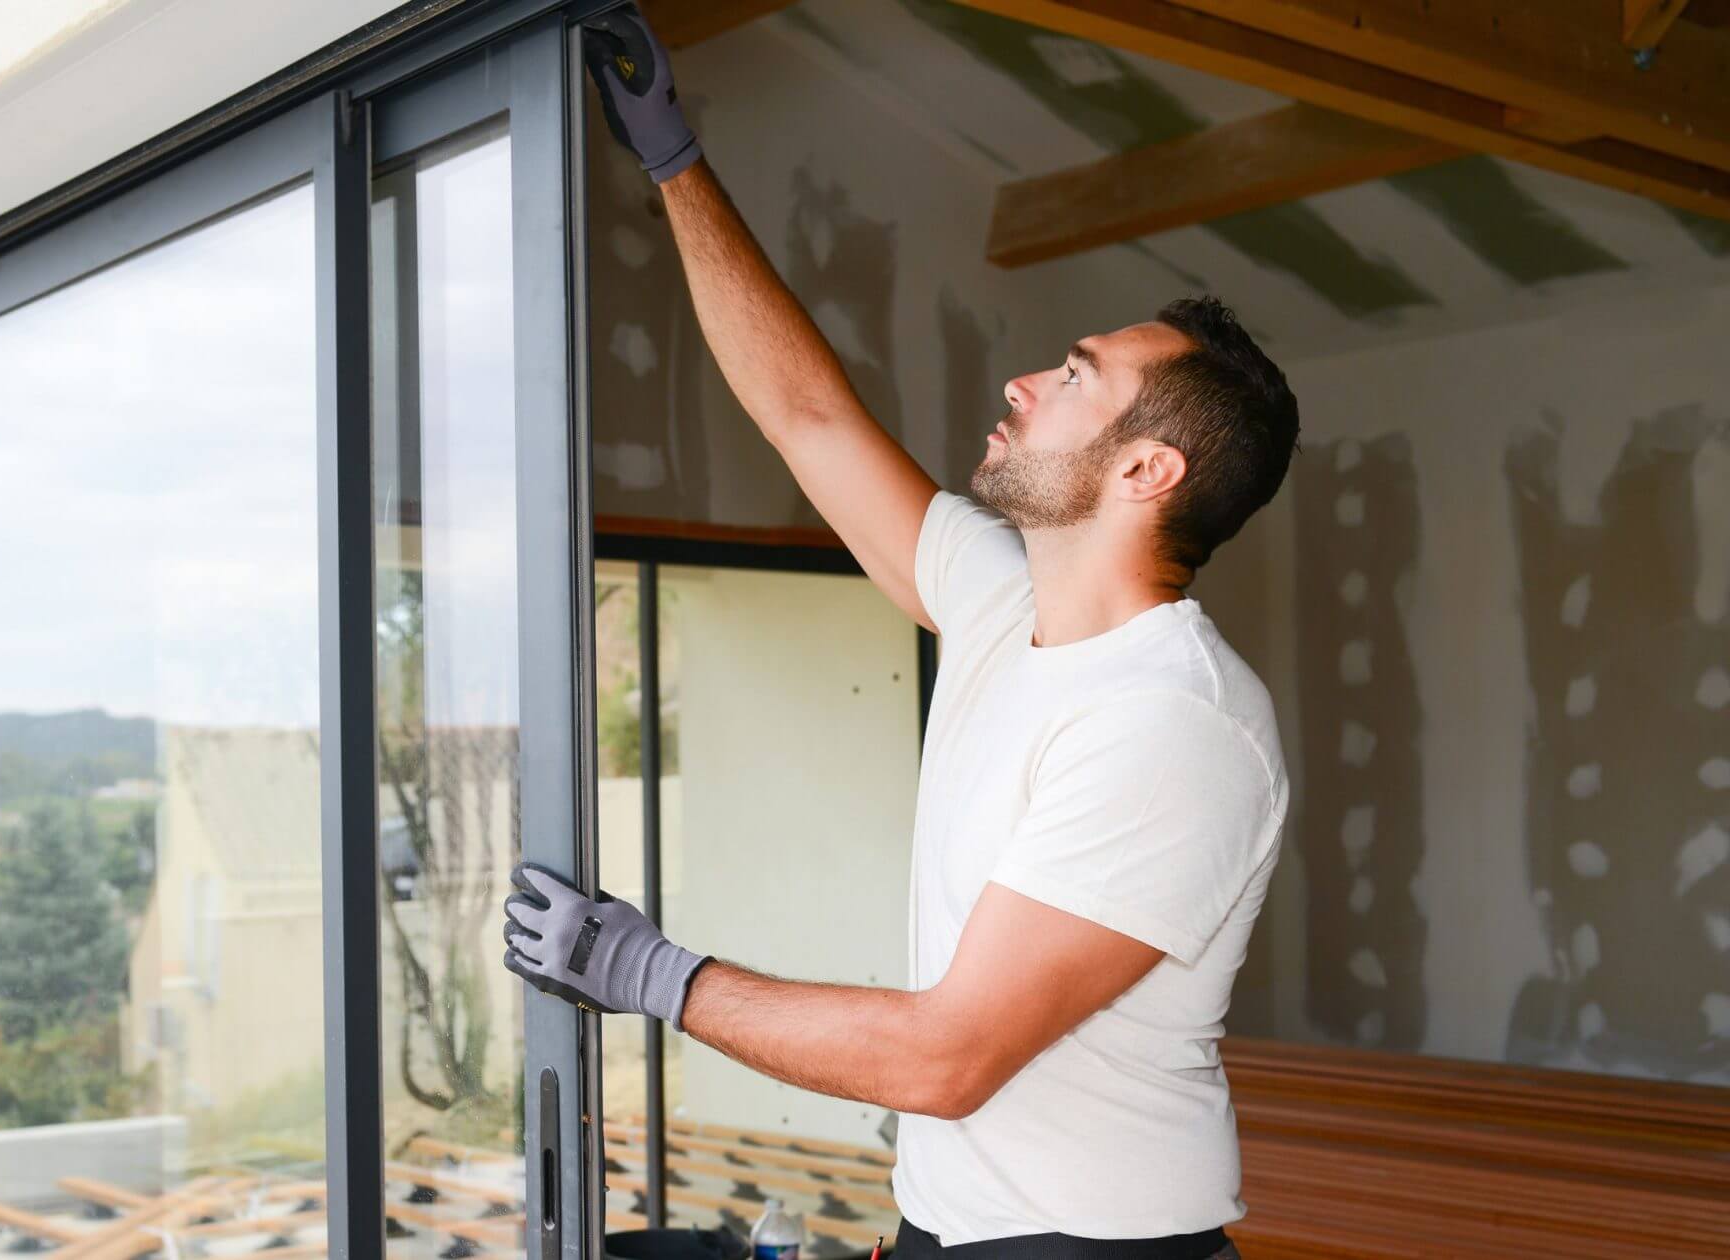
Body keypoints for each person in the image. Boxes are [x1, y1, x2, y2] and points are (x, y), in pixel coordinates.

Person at [499, 9, 1302, 1259]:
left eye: (1076, 376)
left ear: (1147, 469)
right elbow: (810, 417)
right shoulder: (1003, 605)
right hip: (950, 1229)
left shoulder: (1174, 722)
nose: (1024, 383)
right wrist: (671, 158)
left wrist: (649, 974)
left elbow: (949, 1056)